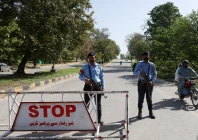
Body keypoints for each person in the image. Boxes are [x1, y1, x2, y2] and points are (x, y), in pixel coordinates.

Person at [79, 52, 105, 123]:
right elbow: (80, 76)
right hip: (88, 86)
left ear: (95, 58)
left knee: (98, 103)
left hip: (97, 86)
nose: (91, 59)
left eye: (93, 57)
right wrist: (85, 80)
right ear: (88, 58)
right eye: (90, 58)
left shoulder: (99, 67)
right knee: (87, 103)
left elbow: (102, 77)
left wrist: (103, 87)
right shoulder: (85, 67)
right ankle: (86, 119)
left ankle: (99, 119)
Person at [134, 51, 157, 119]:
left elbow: (155, 73)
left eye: (147, 55)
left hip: (149, 83)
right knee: (141, 98)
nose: (146, 56)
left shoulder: (152, 64)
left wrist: (152, 81)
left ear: (149, 56)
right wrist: (140, 74)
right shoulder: (139, 63)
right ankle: (139, 113)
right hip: (141, 83)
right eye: (145, 55)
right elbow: (135, 72)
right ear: (142, 56)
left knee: (149, 98)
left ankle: (150, 112)